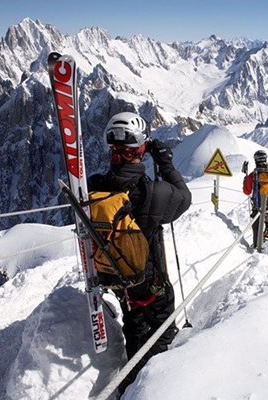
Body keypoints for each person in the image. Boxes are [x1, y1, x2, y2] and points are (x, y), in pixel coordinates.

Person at [88, 112, 191, 392]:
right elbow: (184, 198)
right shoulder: (153, 192)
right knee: (162, 331)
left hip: (119, 279)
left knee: (134, 327)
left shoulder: (96, 187)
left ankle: (131, 380)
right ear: (141, 149)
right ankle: (154, 387)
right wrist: (165, 162)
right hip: (151, 281)